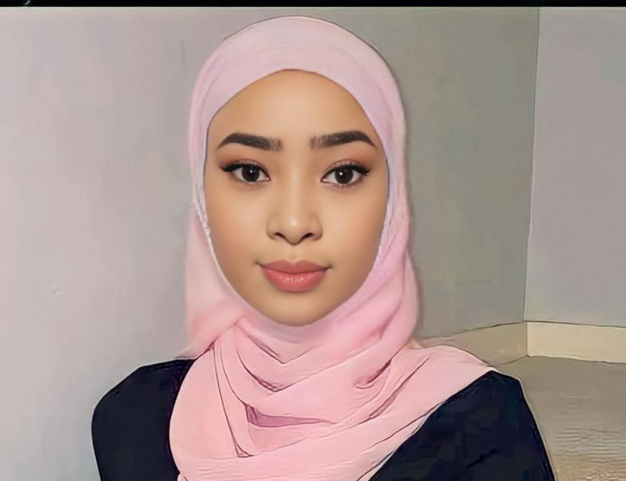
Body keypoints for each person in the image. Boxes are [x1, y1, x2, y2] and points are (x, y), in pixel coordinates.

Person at [91, 15, 556, 481]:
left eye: (342, 173)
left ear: (392, 203)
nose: (295, 223)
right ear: (203, 198)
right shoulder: (134, 419)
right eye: (250, 172)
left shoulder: (481, 423)